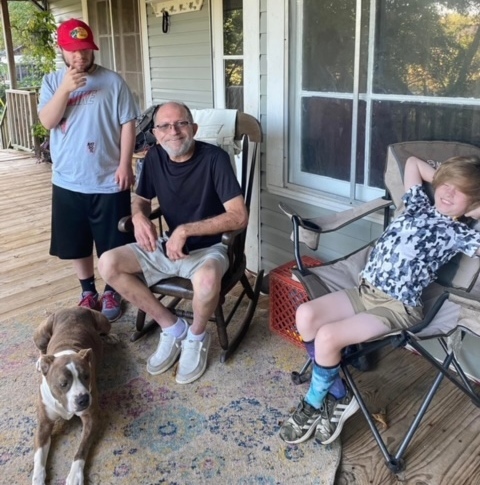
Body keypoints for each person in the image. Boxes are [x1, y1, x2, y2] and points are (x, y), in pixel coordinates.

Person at [279, 155, 480, 446]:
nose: (448, 193)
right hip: (365, 291)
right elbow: (412, 163)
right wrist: (445, 177)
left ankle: (312, 403)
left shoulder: (460, 233)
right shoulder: (417, 204)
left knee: (327, 337)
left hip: (398, 307)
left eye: (459, 191)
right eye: (446, 184)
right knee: (305, 315)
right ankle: (339, 395)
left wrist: (473, 206)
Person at [98, 101, 248, 384]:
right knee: (108, 264)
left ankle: (196, 337)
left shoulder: (214, 159)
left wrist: (185, 231)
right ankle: (172, 326)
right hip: (167, 245)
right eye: (165, 126)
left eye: (181, 123)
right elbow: (141, 200)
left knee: (206, 283)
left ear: (194, 128)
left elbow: (239, 216)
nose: (174, 131)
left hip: (211, 248)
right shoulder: (154, 157)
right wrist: (139, 218)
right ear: (156, 133)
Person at [38, 19, 140, 322]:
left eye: (84, 49)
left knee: (113, 240)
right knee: (76, 241)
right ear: (61, 50)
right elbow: (48, 121)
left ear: (93, 48)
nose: (80, 56)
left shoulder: (113, 82)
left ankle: (112, 289)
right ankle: (87, 291)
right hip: (68, 179)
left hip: (108, 178)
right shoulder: (52, 82)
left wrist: (125, 164)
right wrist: (65, 90)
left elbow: (128, 124)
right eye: (73, 50)